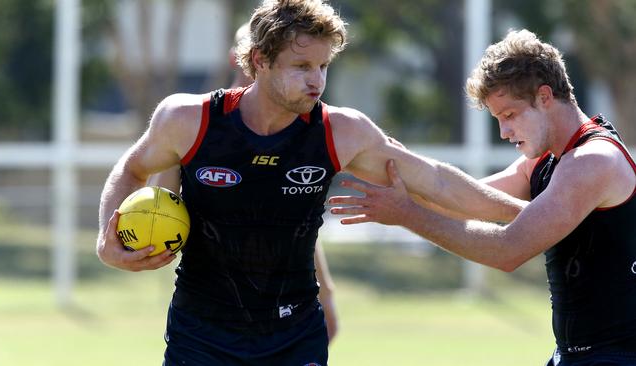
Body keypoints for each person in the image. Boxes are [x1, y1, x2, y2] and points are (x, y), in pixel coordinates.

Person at [96, 1, 525, 364]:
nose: (317, 79)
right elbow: (131, 169)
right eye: (301, 66)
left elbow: (437, 183)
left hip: (294, 335)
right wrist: (106, 238)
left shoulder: (341, 131)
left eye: (322, 65)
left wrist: (531, 215)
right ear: (259, 61)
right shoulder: (188, 120)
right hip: (201, 333)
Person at [329, 29, 636, 365]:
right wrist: (395, 167)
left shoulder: (591, 161)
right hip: (576, 355)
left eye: (509, 116)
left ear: (545, 97)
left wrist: (407, 214)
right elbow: (458, 197)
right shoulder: (546, 159)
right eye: (498, 119)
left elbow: (507, 249)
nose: (504, 132)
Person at [146, 20, 339, 343]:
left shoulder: (305, 124)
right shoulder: (199, 123)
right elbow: (160, 203)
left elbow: (296, 224)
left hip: (283, 311)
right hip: (209, 314)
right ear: (245, 57)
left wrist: (326, 291)